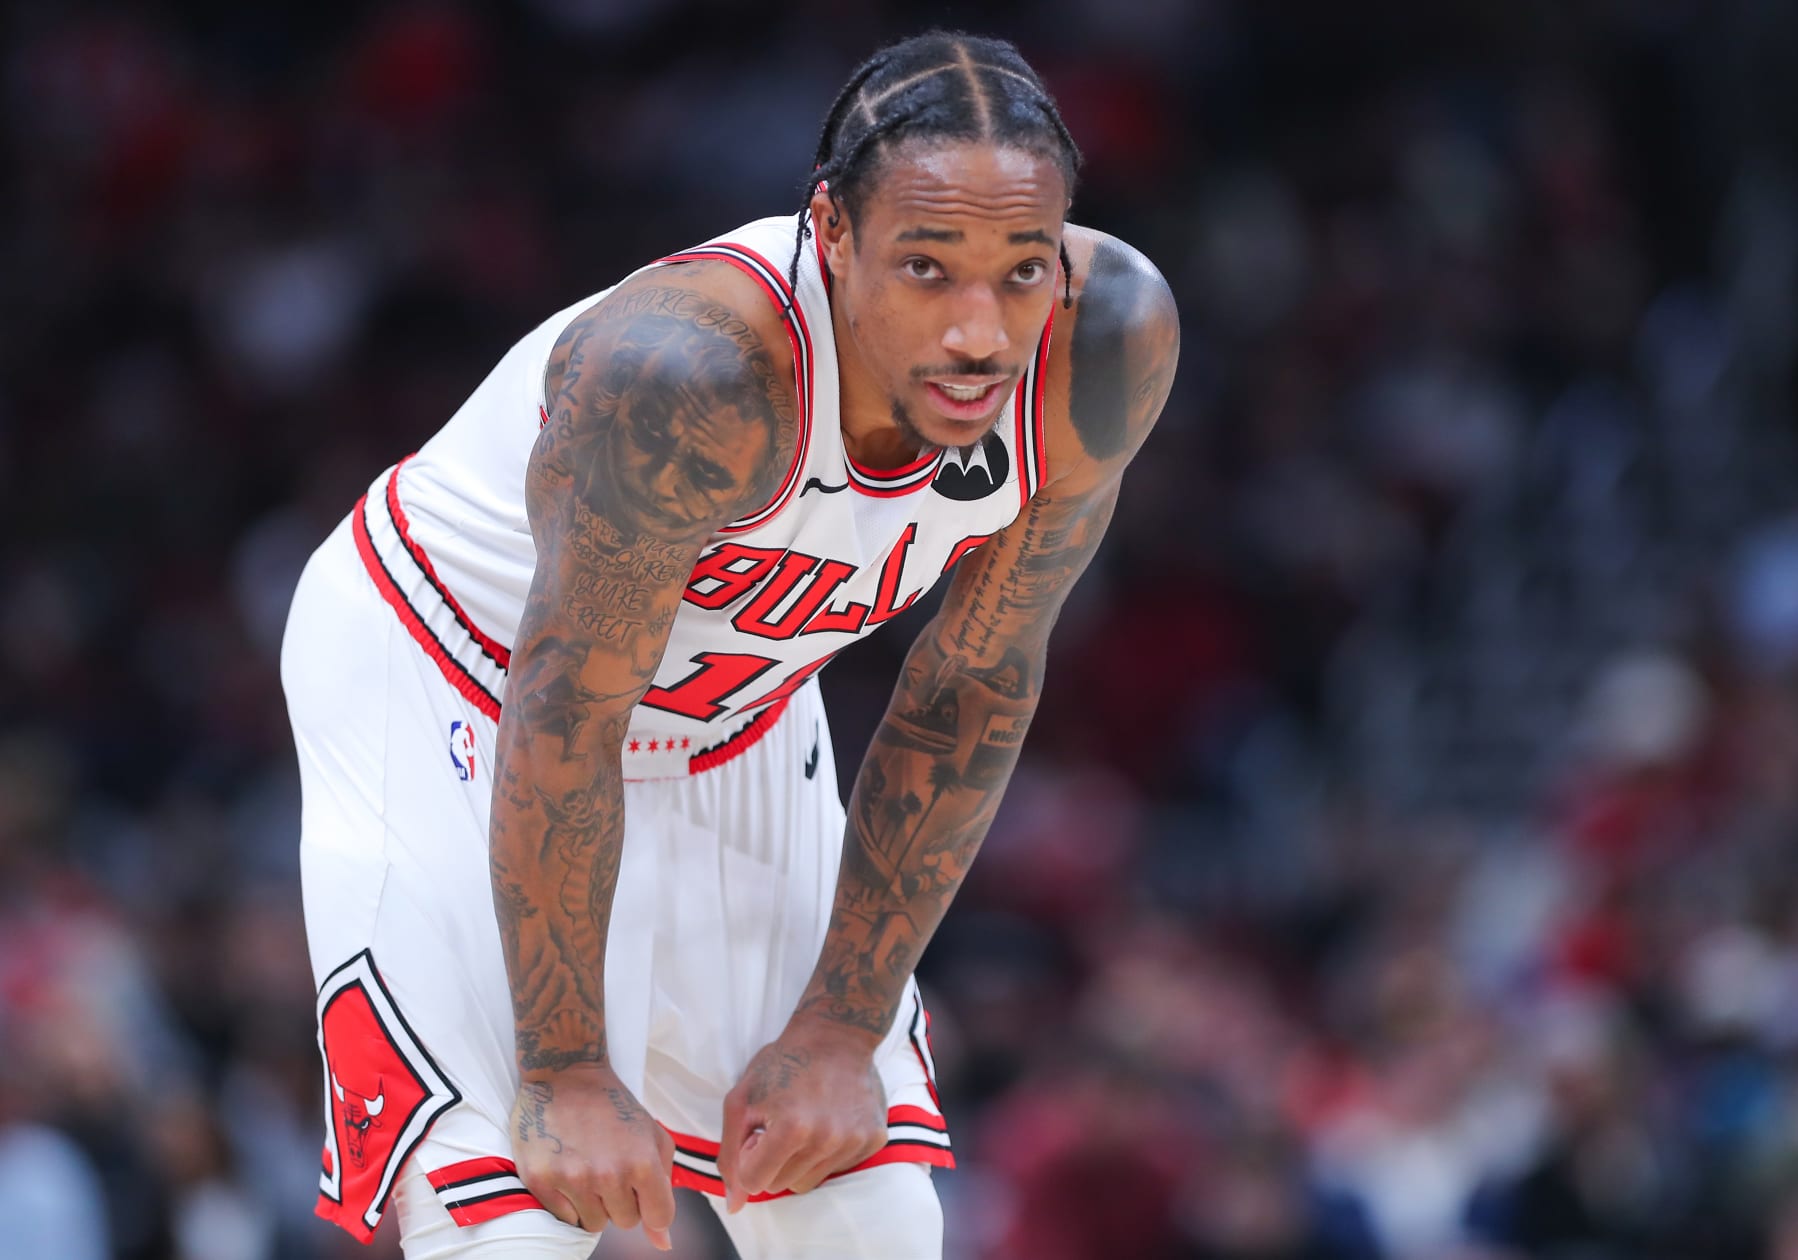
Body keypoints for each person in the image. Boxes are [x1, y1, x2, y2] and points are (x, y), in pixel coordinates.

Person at [282, 28, 1178, 1260]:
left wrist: (838, 1031)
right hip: (461, 674)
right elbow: (565, 714)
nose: (980, 330)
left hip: (729, 706)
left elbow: (971, 687)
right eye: (927, 267)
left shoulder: (1105, 342)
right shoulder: (686, 372)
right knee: (520, 1218)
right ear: (833, 231)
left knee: (859, 1210)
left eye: (1020, 270)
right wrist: (567, 1072)